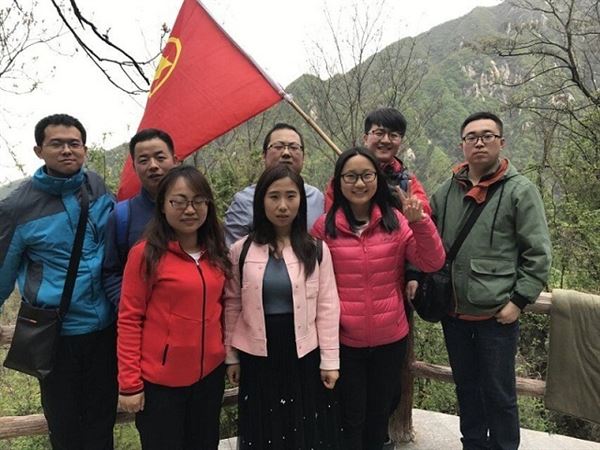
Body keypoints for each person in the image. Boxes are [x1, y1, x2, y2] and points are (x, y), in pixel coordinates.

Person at [431, 112, 551, 450]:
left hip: (497, 317)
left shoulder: (520, 191)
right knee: (466, 390)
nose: (479, 142)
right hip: (454, 314)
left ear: (501, 142)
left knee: (500, 394)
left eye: (487, 136)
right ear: (462, 145)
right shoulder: (447, 191)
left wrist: (519, 301)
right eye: (472, 137)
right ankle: (472, 445)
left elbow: (538, 253)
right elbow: (427, 238)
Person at [311, 147, 445, 450]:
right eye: (350, 176)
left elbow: (432, 261)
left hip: (389, 340)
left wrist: (420, 223)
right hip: (344, 341)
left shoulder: (395, 222)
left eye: (367, 175)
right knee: (350, 416)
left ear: (377, 179)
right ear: (338, 182)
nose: (359, 183)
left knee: (379, 415)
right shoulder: (324, 229)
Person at [0, 113, 117, 449]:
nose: (67, 150)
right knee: (65, 428)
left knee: (101, 423)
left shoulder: (95, 185)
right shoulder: (17, 207)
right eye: (57, 144)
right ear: (39, 151)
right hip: (57, 335)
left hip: (105, 331)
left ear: (84, 149)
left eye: (74, 143)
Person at [223, 164, 341, 449]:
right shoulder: (241, 250)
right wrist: (231, 356)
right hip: (257, 353)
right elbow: (232, 304)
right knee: (263, 425)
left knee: (302, 423)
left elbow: (327, 307)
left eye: (291, 196)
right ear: (261, 201)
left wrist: (330, 361)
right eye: (274, 196)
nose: (283, 205)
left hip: (303, 350)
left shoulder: (315, 249)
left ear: (301, 200)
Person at [117, 165, 230, 450]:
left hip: (209, 378)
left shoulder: (216, 252)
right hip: (161, 384)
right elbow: (129, 319)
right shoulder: (146, 254)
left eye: (198, 201)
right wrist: (130, 383)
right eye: (178, 201)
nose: (189, 209)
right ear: (163, 206)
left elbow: (224, 307)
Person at [103, 128, 178, 308]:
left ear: (175, 161)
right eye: (143, 160)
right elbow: (111, 273)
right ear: (134, 168)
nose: (153, 166)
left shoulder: (196, 208)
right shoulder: (121, 216)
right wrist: (131, 309)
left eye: (160, 158)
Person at [224, 122, 324, 246]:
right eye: (278, 147)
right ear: (264, 155)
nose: (286, 153)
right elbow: (231, 251)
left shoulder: (316, 198)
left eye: (294, 147)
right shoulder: (244, 201)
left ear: (304, 157)